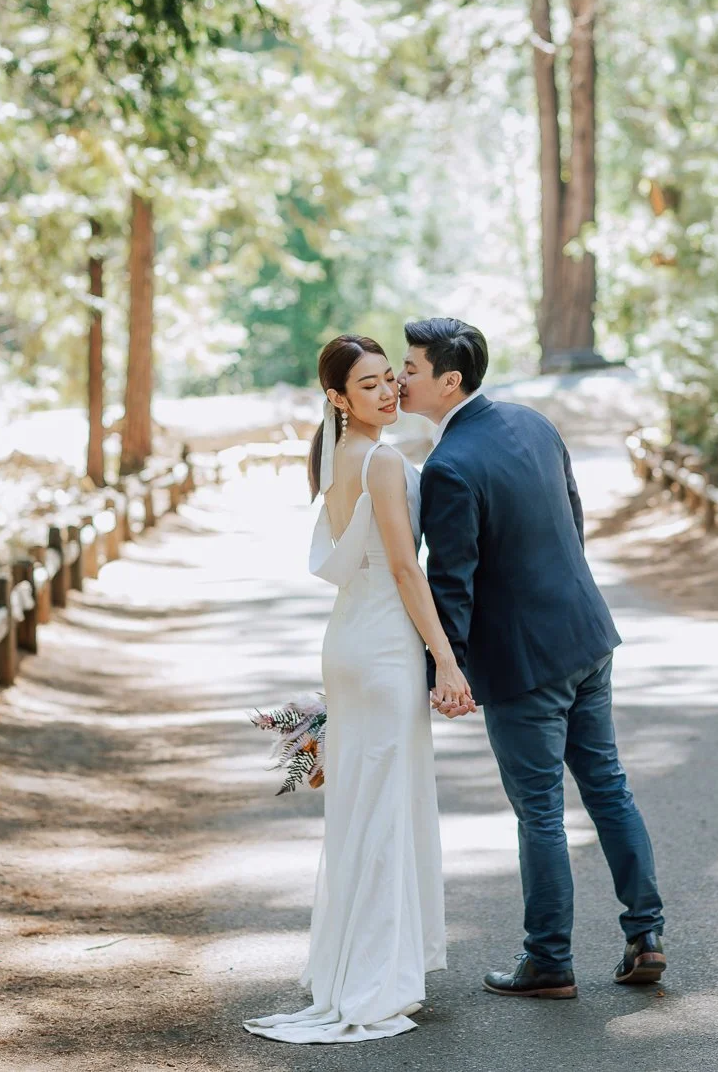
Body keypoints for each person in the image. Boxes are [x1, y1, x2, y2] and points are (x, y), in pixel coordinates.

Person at [398, 317, 665, 1000]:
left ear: (449, 380)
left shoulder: (450, 468)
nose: (401, 378)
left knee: (541, 810)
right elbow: (573, 522)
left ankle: (548, 960)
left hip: (522, 661)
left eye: (411, 368)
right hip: (585, 636)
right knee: (607, 787)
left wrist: (444, 670)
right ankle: (647, 935)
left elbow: (450, 583)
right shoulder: (533, 423)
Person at [243, 334, 473, 1044]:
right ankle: (373, 979)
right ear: (338, 398)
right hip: (381, 651)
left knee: (363, 806)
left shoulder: (338, 455)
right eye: (367, 385)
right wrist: (447, 661)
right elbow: (406, 570)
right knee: (383, 808)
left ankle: (361, 966)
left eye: (388, 379)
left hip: (351, 639)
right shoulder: (379, 459)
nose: (386, 392)